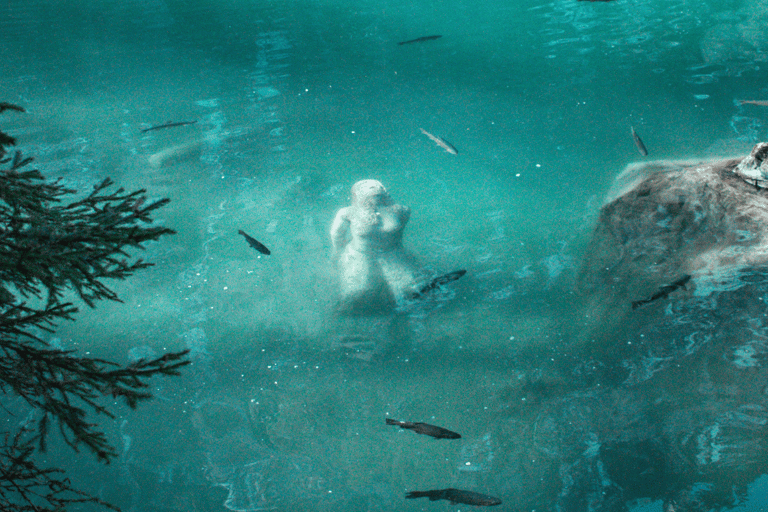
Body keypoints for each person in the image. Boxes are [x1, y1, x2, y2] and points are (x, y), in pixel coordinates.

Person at [330, 180, 424, 313]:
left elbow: (400, 233)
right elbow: (336, 234)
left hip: (392, 253)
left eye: (378, 190)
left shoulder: (402, 210)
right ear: (359, 195)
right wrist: (337, 252)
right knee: (354, 295)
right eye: (370, 189)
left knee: (411, 292)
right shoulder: (347, 212)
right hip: (360, 254)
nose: (376, 188)